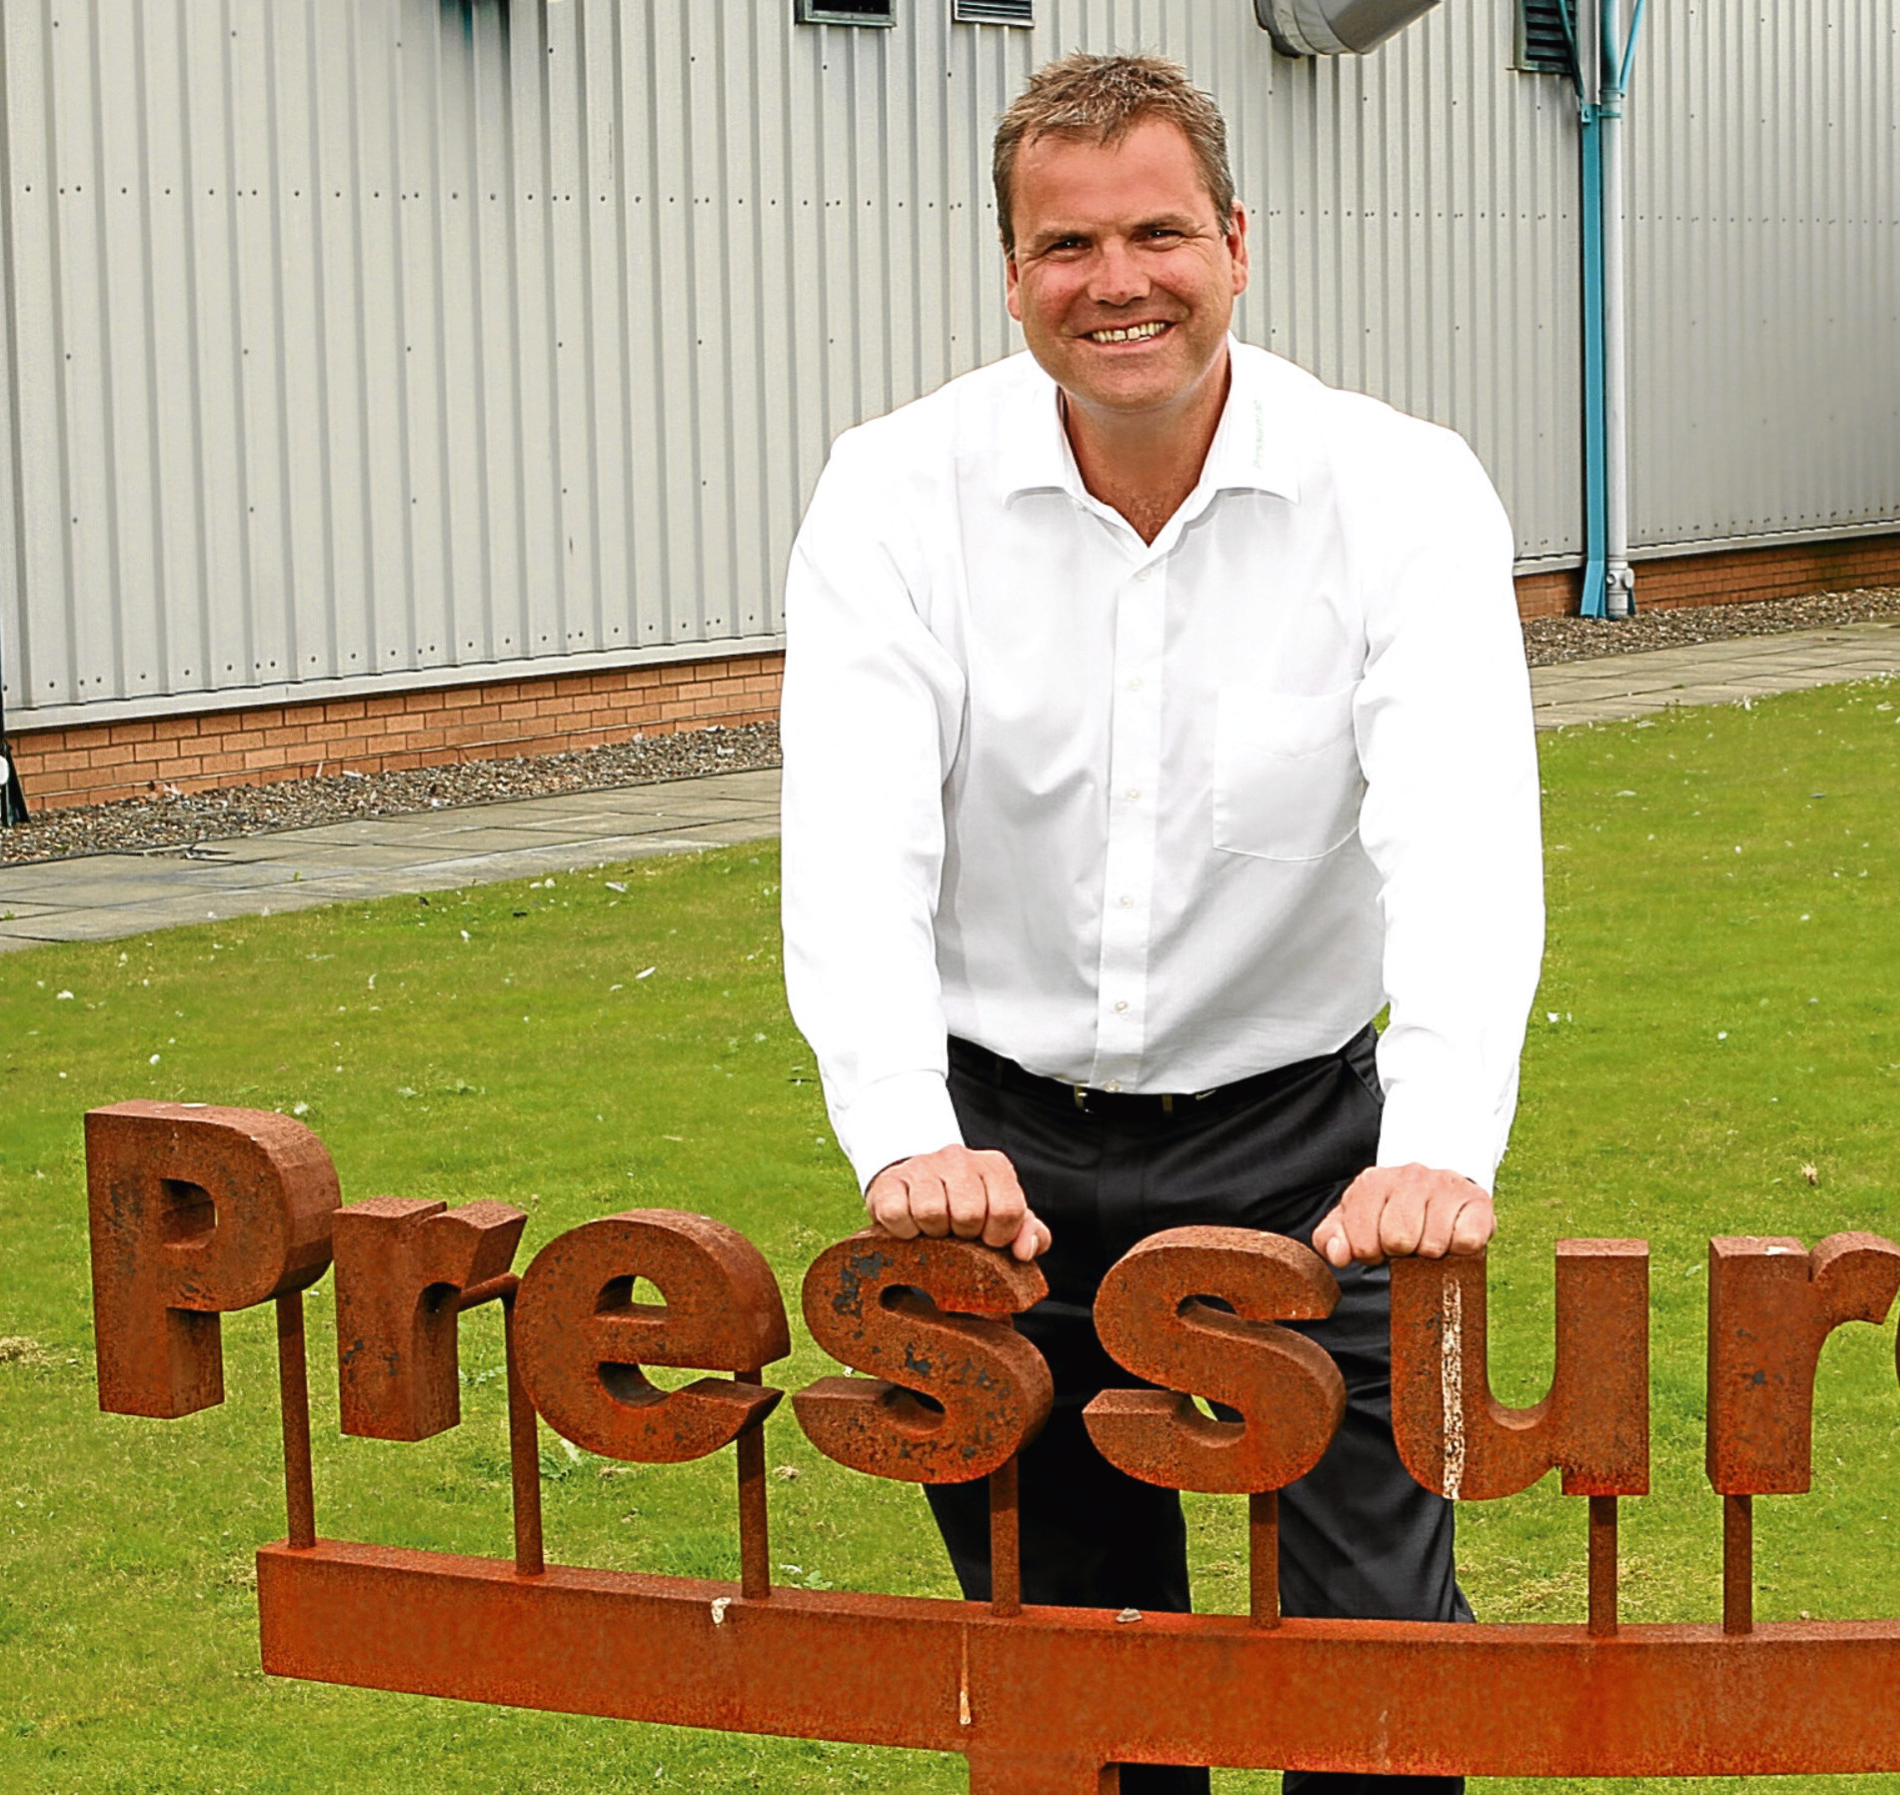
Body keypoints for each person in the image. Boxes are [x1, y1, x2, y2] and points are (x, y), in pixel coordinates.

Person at [776, 52, 1542, 1795]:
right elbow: (852, 839)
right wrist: (903, 1131)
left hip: (1307, 1156)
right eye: (1067, 246)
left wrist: (1435, 1145)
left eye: (1156, 232)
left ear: (1237, 243)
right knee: (1074, 1689)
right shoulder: (897, 492)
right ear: (1013, 269)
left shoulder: (1400, 489)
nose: (1116, 281)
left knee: (1377, 1679)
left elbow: (1461, 835)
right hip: (1001, 1164)